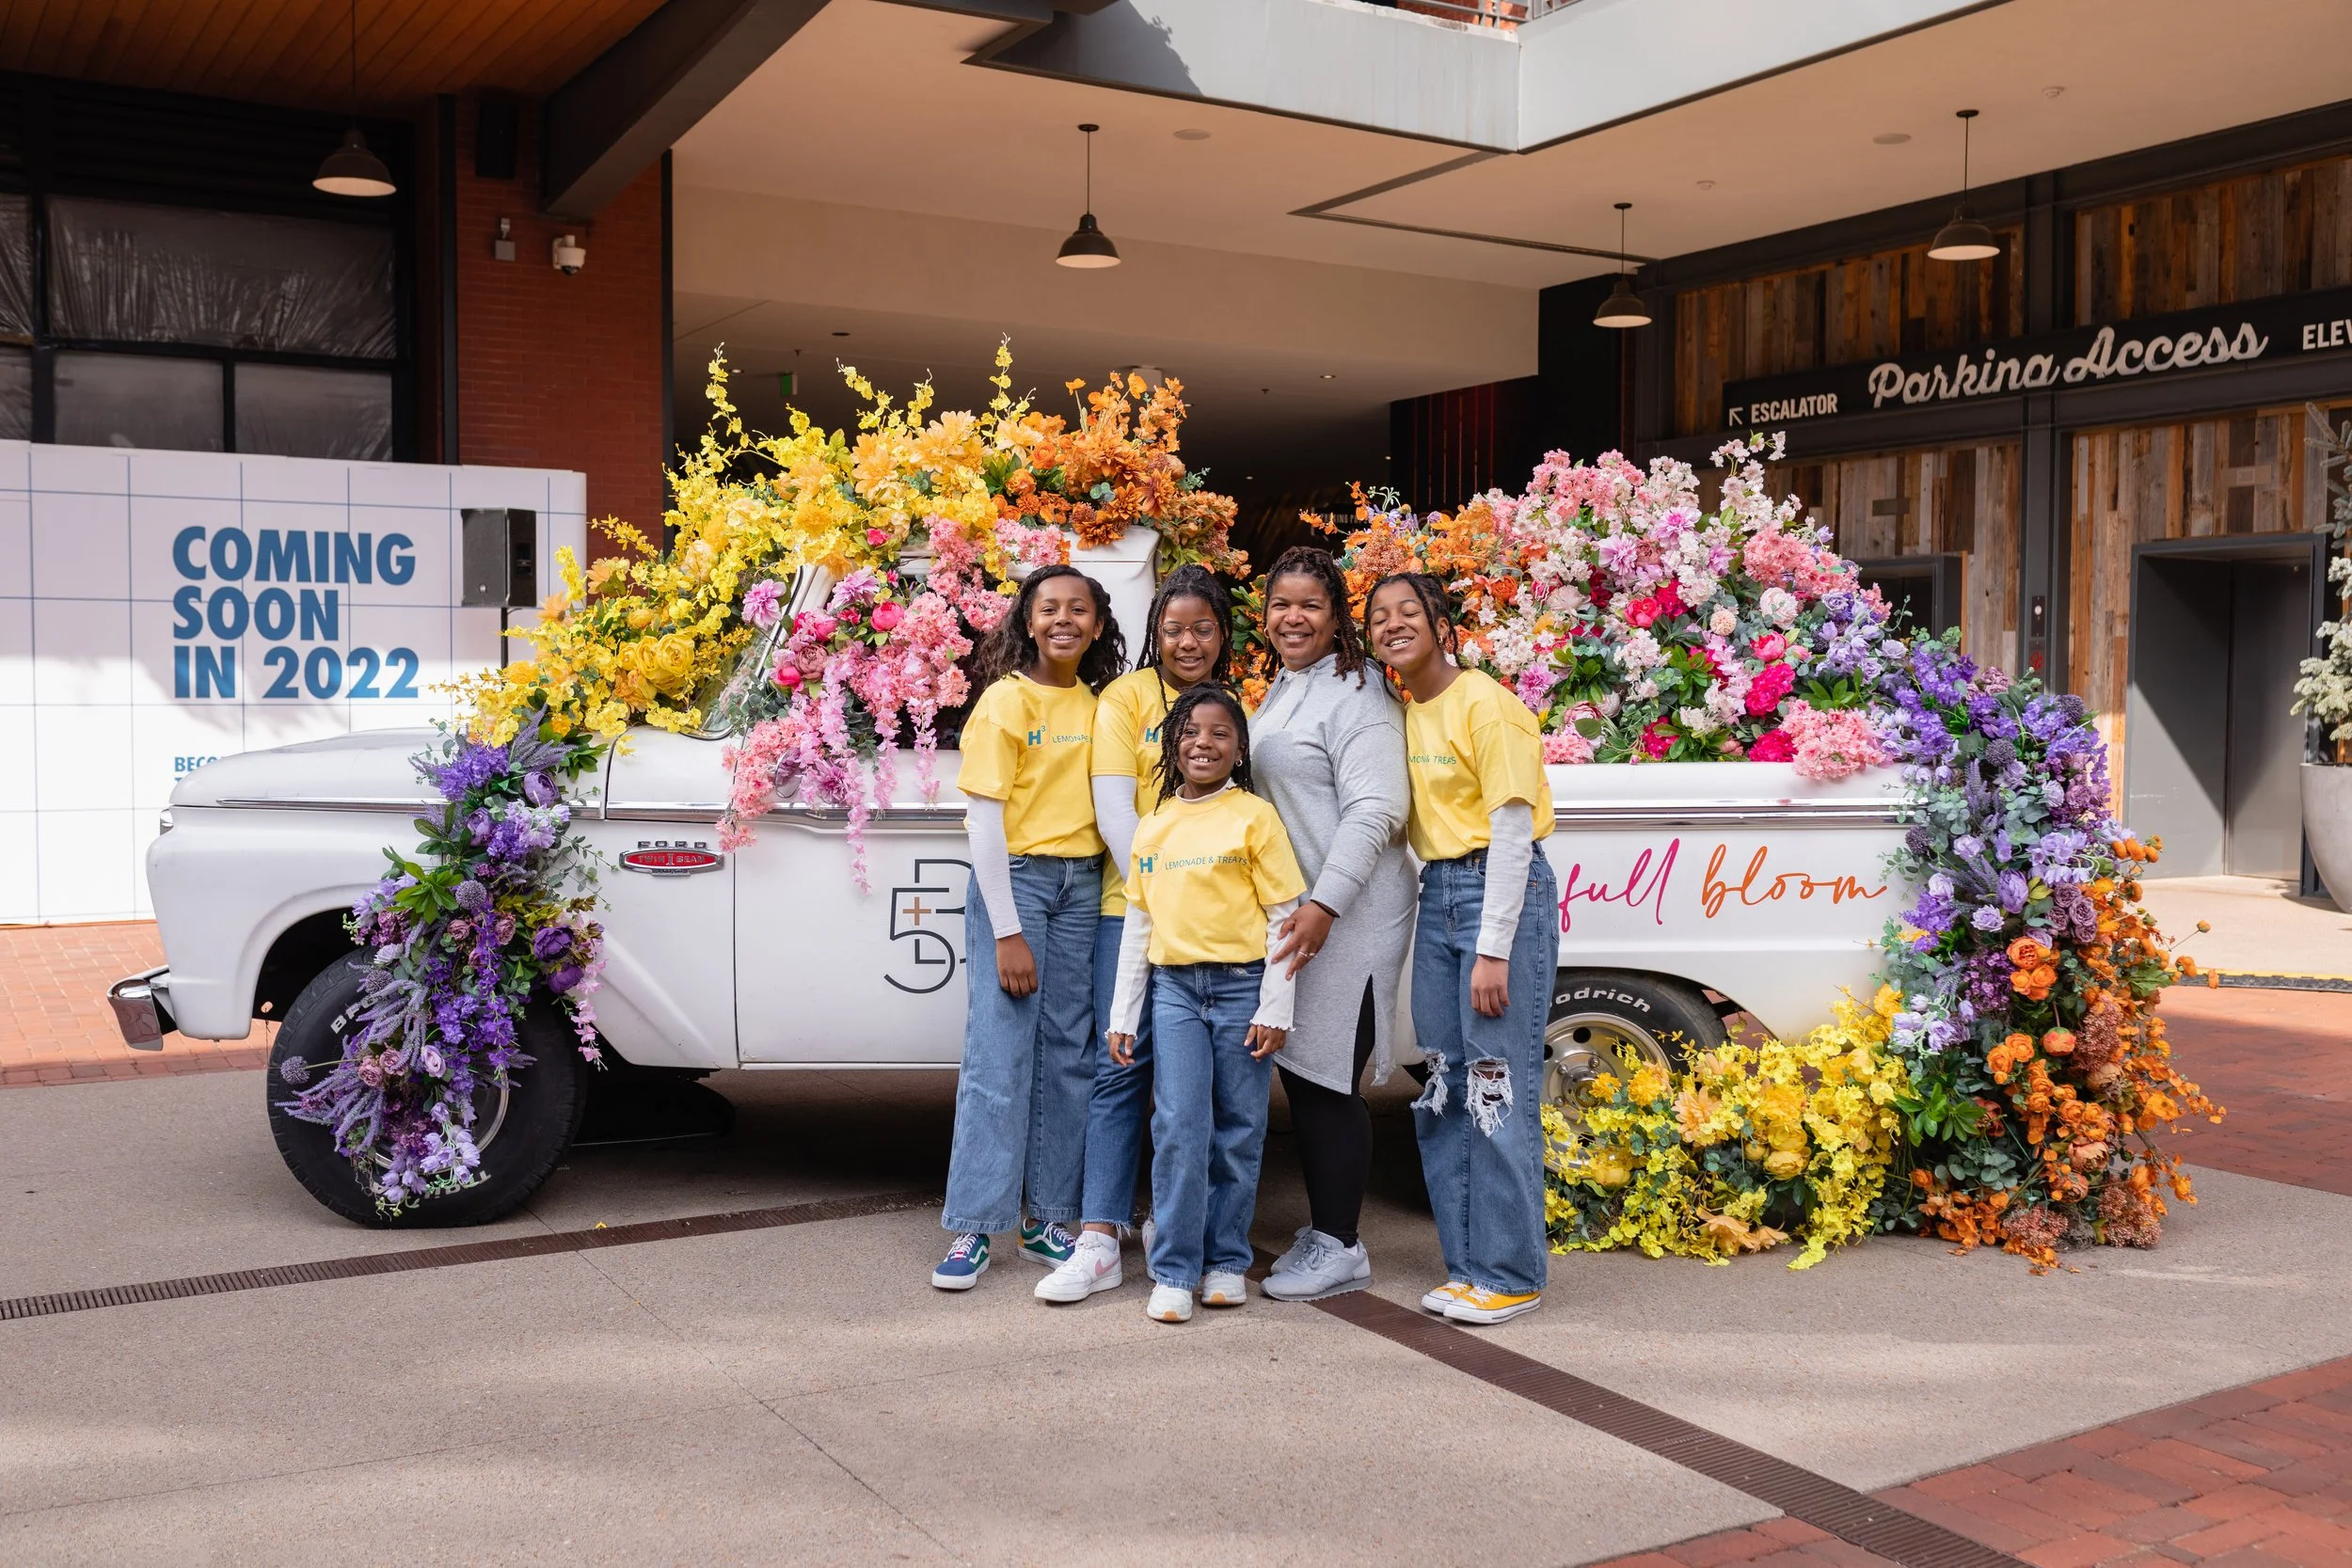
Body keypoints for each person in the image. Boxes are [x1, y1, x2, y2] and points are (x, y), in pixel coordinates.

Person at [1364, 571, 1559, 1326]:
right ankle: (1469, 1265)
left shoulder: (1488, 704)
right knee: (1444, 1087)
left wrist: (1493, 948)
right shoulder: (1407, 713)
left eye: (1408, 610)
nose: (1392, 624)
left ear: (1441, 623)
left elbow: (1511, 828)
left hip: (1496, 897)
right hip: (1441, 892)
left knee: (1496, 1085)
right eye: (1379, 616)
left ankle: (1512, 1270)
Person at [1038, 565, 1236, 1304]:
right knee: (1119, 1068)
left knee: (1191, 1089)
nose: (1188, 641)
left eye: (1204, 627)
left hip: (1216, 930)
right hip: (1133, 910)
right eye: (1174, 628)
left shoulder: (1230, 705)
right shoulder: (1124, 698)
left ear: (1223, 634)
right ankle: (1098, 1238)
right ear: (1154, 632)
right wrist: (1163, 895)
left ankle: (1169, 1224)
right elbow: (1113, 812)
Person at [932, 564, 1125, 1291]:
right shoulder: (1006, 702)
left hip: (1082, 889)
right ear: (1028, 620)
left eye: (1080, 609)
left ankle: (1048, 1216)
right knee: (998, 1055)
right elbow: (983, 818)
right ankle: (974, 1226)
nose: (1064, 620)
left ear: (1099, 625)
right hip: (1017, 882)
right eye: (1050, 609)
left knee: (1070, 1056)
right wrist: (1007, 928)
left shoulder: (1101, 704)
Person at [1102, 684, 1306, 1323]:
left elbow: (1285, 918)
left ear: (1240, 748)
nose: (1204, 743)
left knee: (1239, 1129)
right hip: (1176, 993)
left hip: (1244, 987)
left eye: (1220, 733)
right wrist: (1122, 1015)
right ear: (1172, 743)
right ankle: (1174, 1270)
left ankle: (1224, 1261)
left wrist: (1276, 1007)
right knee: (1179, 1127)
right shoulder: (1154, 826)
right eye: (1190, 731)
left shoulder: (1254, 816)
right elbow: (1139, 926)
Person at [1247, 546, 1416, 1302]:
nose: (1293, 616)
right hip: (1305, 915)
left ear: (1337, 614)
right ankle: (1327, 1233)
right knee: (1305, 1072)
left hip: (1348, 913)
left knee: (1326, 1081)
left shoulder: (1359, 688)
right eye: (1281, 603)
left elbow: (1378, 807)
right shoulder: (1286, 687)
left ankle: (1342, 1243)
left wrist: (1324, 905)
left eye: (1310, 604)